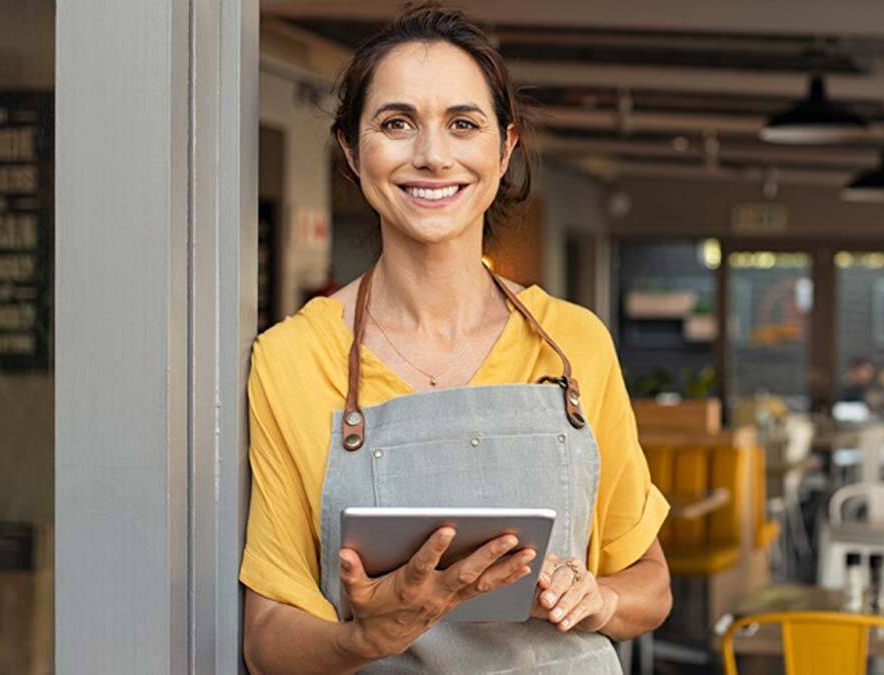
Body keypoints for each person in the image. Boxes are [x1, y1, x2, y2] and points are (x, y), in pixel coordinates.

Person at [239, 5, 671, 673]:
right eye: (396, 123)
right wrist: (363, 636)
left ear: (504, 149)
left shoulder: (574, 343)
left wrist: (599, 597)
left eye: (462, 124)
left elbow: (651, 583)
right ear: (353, 151)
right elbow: (266, 635)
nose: (433, 155)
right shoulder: (295, 358)